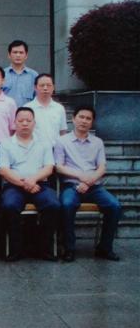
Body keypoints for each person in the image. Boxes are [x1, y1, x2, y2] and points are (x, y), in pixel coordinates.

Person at [55, 106, 122, 262]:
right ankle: (69, 248)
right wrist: (81, 177)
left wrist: (90, 180)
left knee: (114, 206)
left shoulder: (97, 142)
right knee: (67, 204)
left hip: (94, 186)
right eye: (81, 117)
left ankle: (104, 248)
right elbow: (58, 166)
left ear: (92, 122)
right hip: (71, 185)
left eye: (88, 118)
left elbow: (102, 167)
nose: (84, 121)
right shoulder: (62, 141)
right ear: (73, 119)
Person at [0, 107, 60, 261]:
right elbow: (3, 170)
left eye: (28, 120)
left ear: (34, 123)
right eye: (21, 120)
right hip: (14, 185)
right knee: (10, 205)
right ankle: (15, 250)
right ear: (14, 123)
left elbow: (49, 168)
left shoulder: (44, 143)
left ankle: (44, 249)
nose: (25, 123)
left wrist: (32, 180)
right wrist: (24, 183)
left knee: (52, 205)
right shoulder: (6, 144)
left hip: (40, 184)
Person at [24, 74, 68, 147]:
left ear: (53, 87)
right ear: (35, 87)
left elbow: (62, 131)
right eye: (42, 85)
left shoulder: (59, 108)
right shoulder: (27, 108)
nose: (45, 88)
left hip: (55, 149)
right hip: (34, 149)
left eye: (48, 85)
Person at [3, 40, 38, 107]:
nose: (18, 55)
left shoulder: (34, 75)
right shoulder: (2, 74)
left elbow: (37, 97)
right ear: (9, 55)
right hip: (6, 112)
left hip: (27, 112)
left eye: (21, 52)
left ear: (26, 55)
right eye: (15, 52)